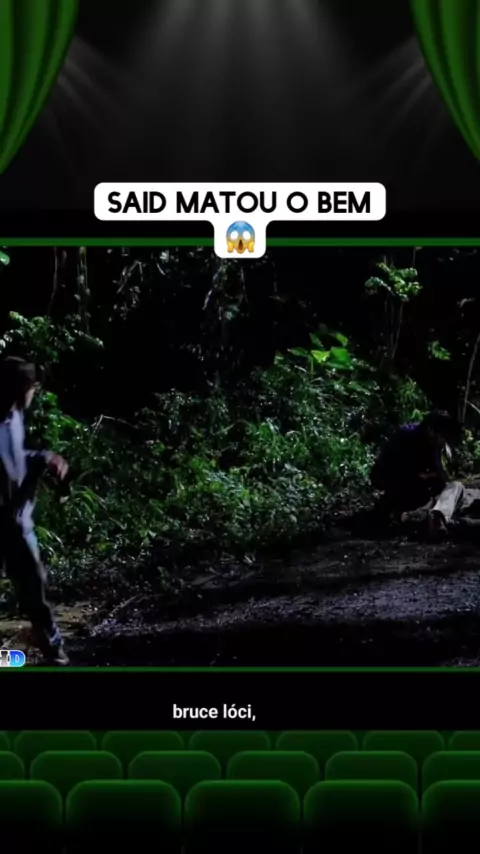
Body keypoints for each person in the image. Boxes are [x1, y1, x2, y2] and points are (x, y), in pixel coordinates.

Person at [0, 357, 69, 665]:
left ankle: (53, 649)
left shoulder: (14, 417)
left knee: (34, 586)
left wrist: (44, 458)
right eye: (31, 387)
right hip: (4, 520)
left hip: (17, 522)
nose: (34, 393)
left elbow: (15, 458)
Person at [371, 410, 461, 532]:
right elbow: (395, 470)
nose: (443, 440)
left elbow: (438, 473)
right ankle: (428, 515)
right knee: (451, 490)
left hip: (414, 484)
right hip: (397, 483)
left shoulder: (431, 441)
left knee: (451, 488)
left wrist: (434, 477)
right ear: (431, 430)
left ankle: (417, 514)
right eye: (442, 436)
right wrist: (426, 477)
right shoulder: (405, 437)